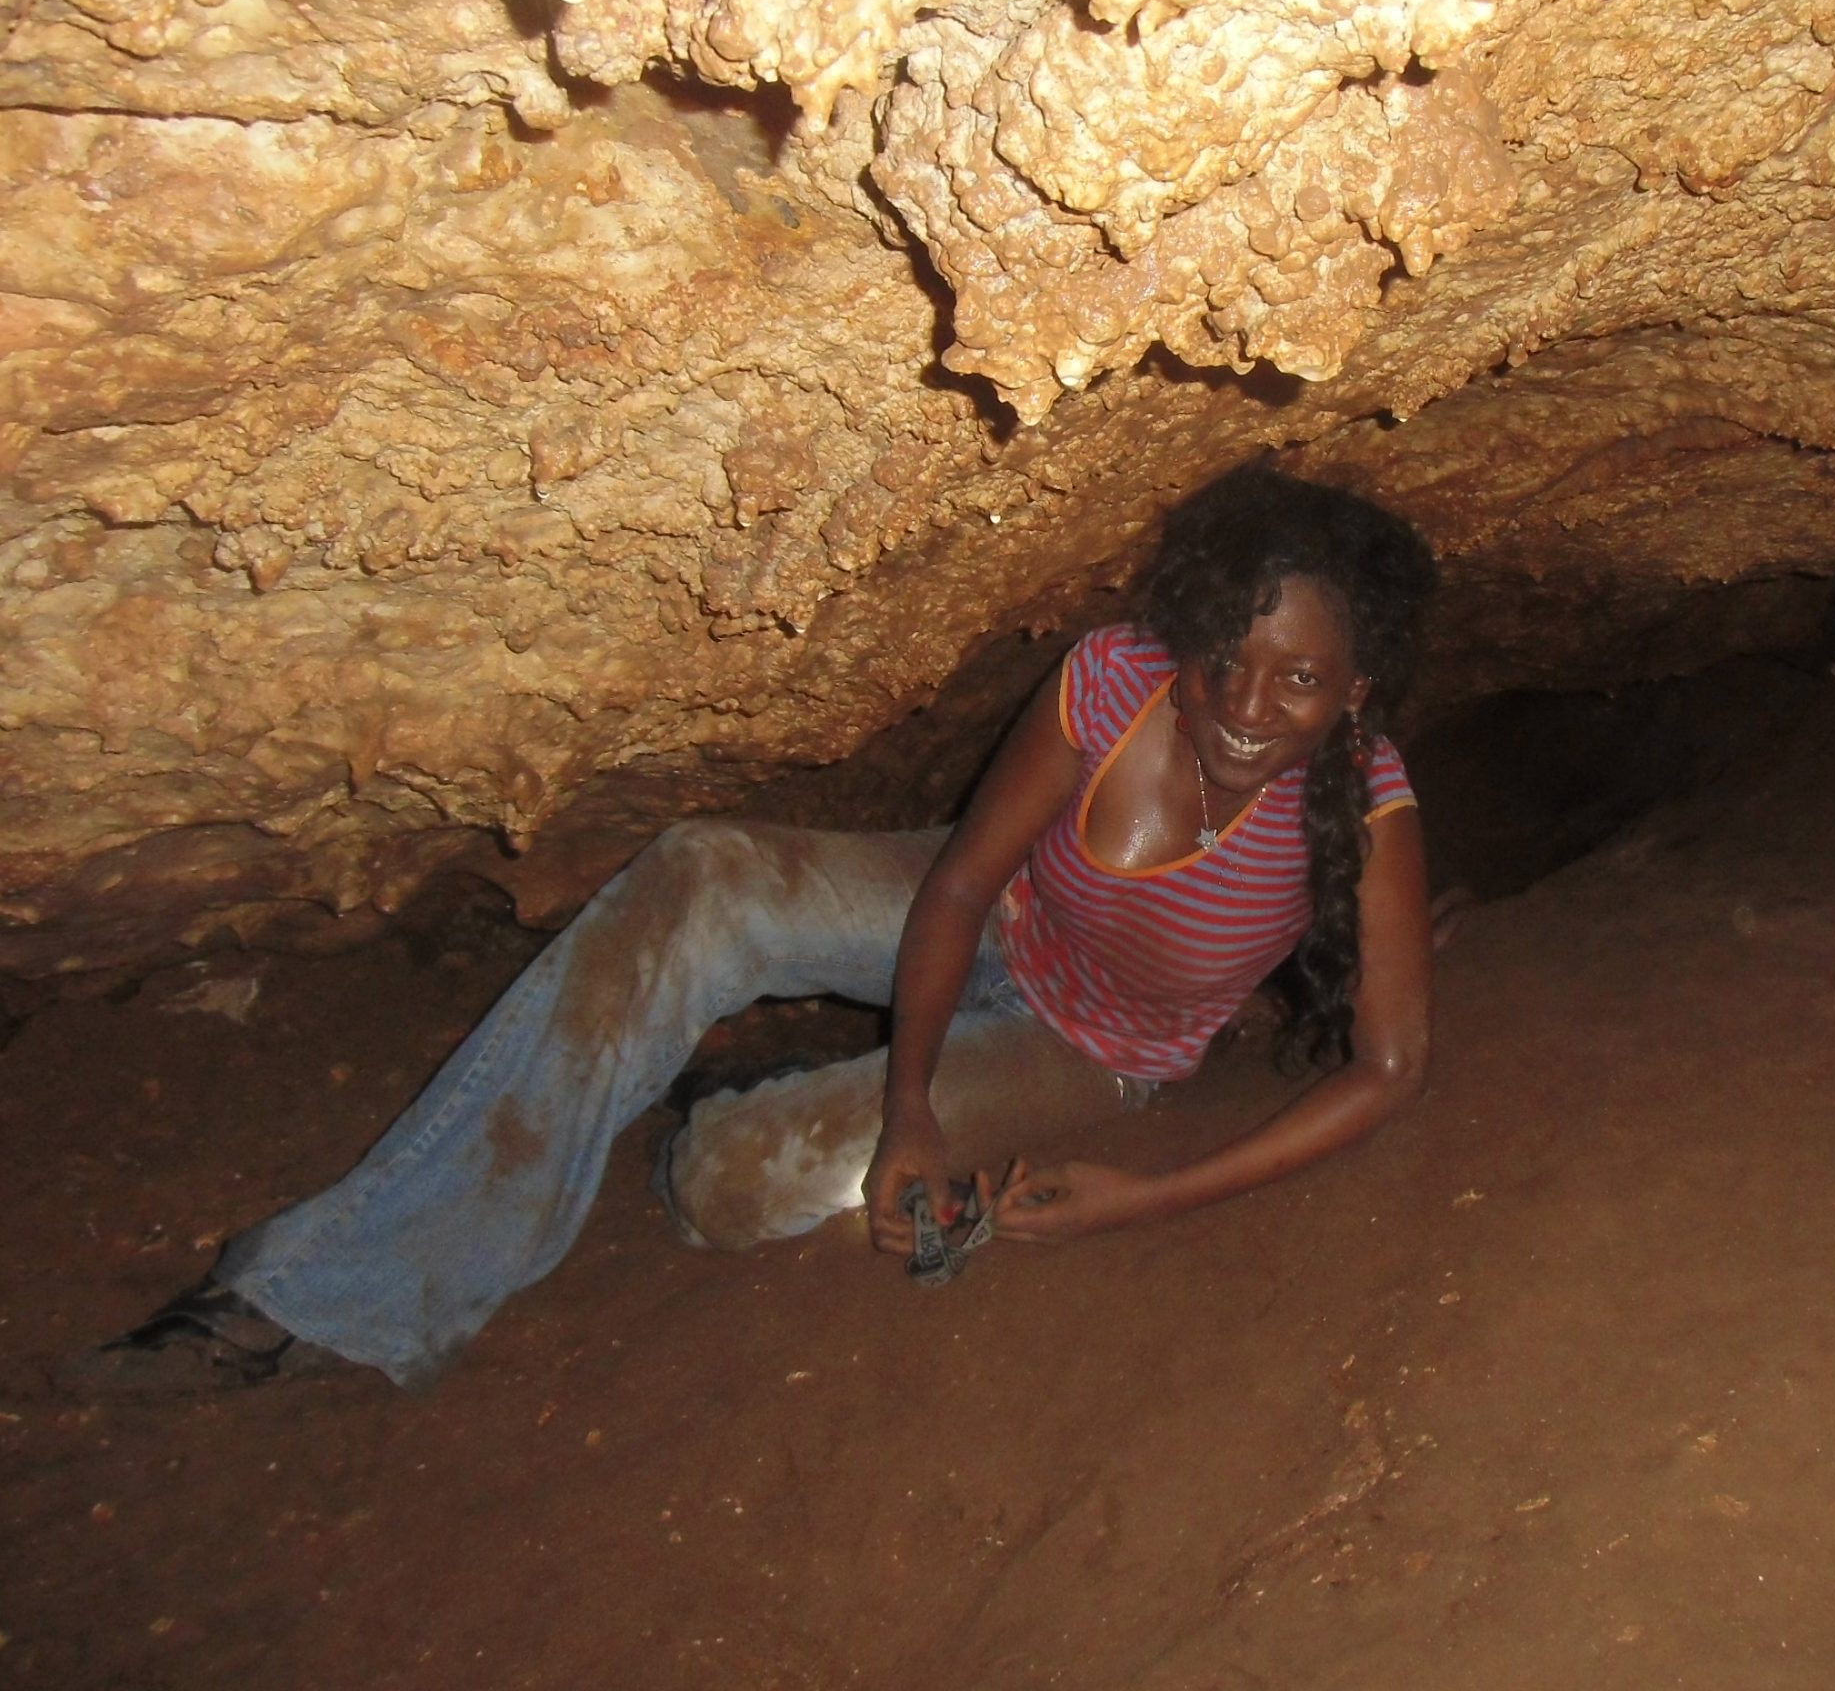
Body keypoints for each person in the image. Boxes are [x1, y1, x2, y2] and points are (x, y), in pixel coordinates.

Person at [66, 463, 1440, 1395]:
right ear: (1188, 638)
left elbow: (1388, 1070)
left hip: (1091, 1048)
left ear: (1357, 689)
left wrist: (1149, 1198)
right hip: (988, 920)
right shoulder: (1110, 682)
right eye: (1229, 660)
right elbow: (960, 884)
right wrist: (907, 1103)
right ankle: (323, 1298)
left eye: (1301, 679)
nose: (1249, 705)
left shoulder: (1366, 801)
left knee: (728, 1185)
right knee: (702, 873)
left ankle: (742, 1101)